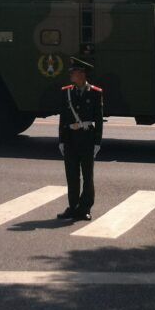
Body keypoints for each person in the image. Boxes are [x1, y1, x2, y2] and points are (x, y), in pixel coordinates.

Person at [56, 57, 103, 222]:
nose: (71, 75)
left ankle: (85, 208)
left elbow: (98, 118)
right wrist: (61, 140)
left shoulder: (96, 93)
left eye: (73, 72)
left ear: (82, 74)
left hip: (87, 138)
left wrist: (98, 142)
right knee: (72, 175)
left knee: (87, 177)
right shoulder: (66, 92)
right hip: (70, 139)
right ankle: (73, 206)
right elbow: (63, 118)